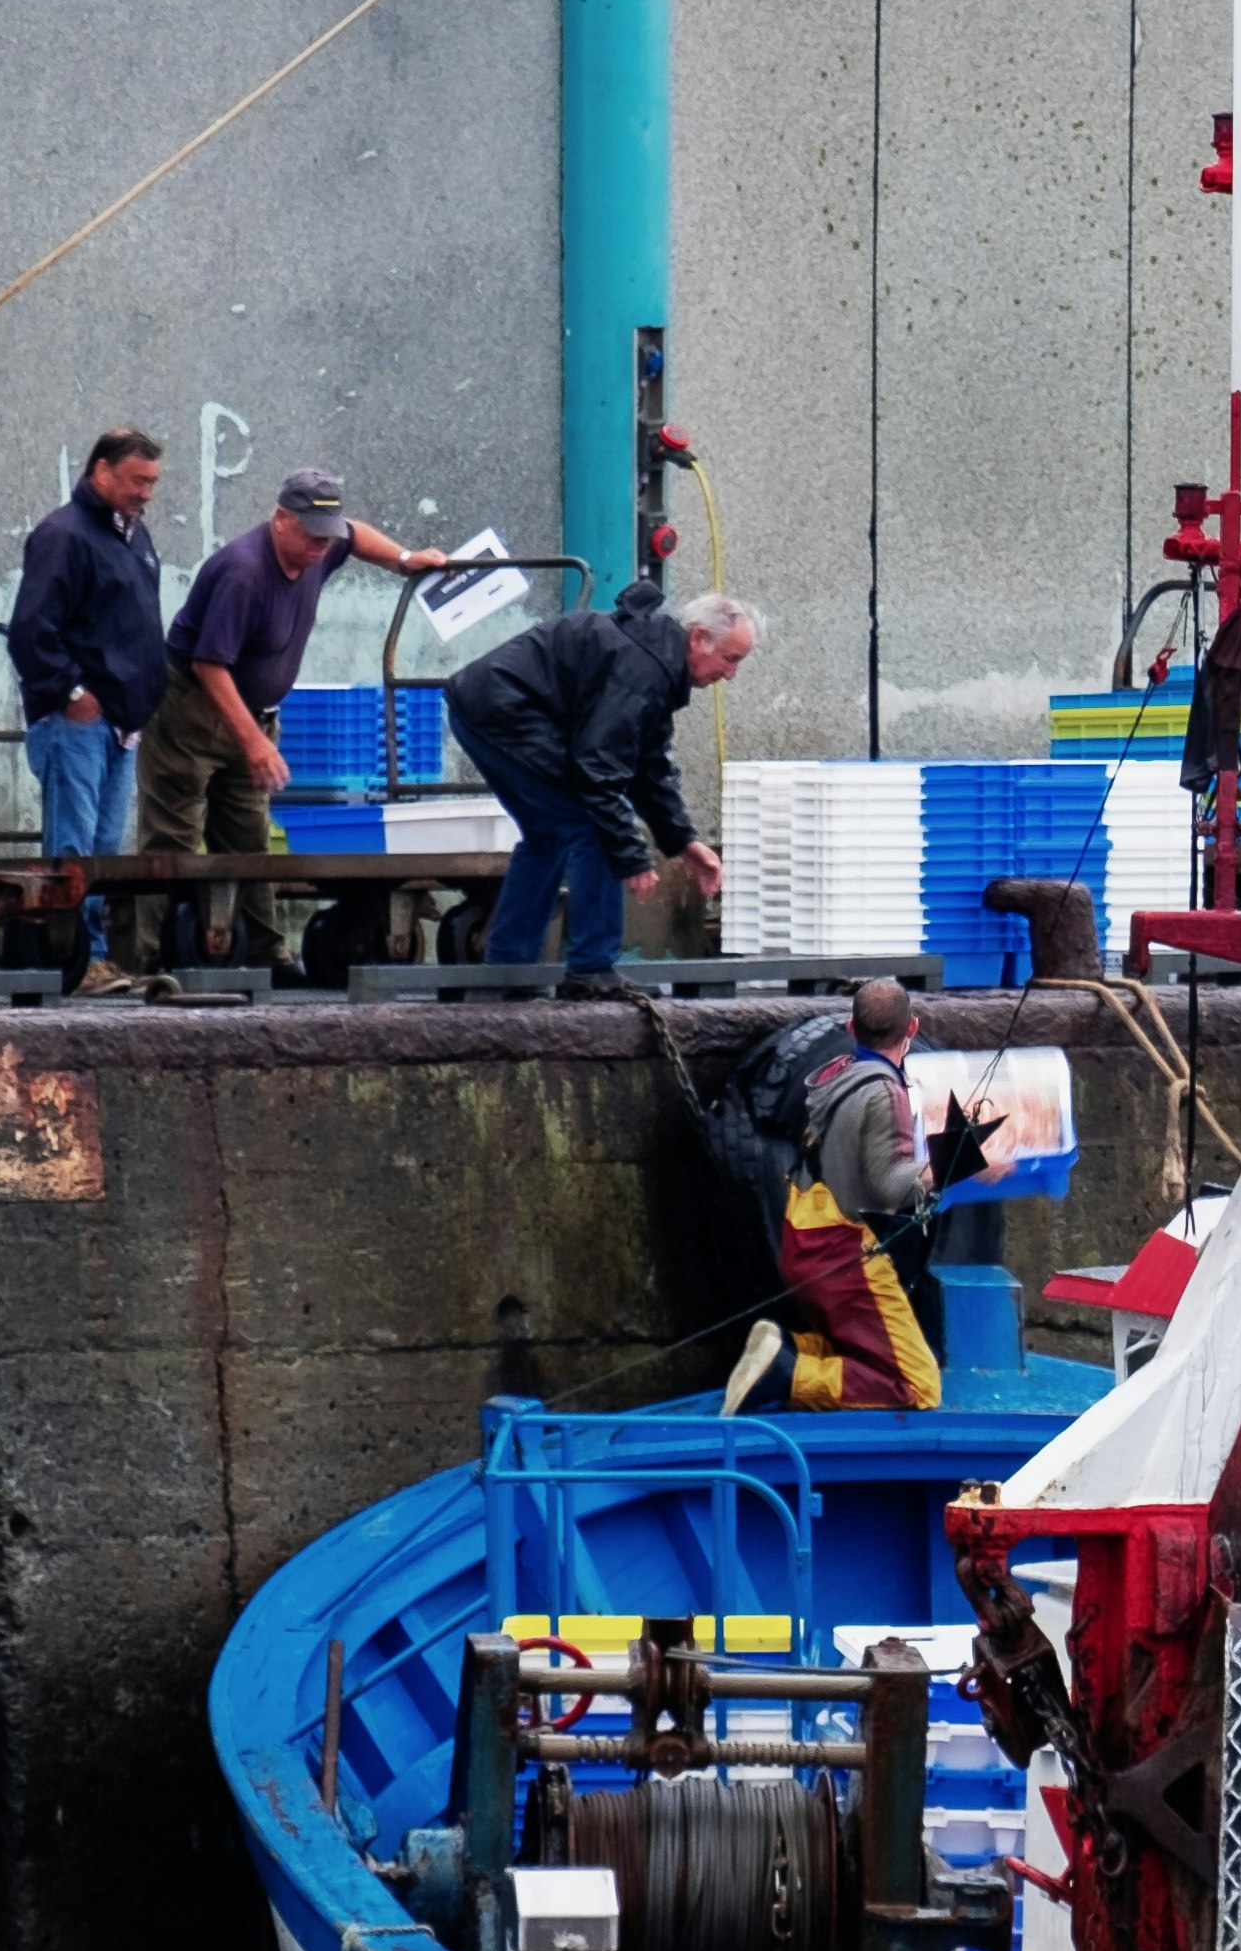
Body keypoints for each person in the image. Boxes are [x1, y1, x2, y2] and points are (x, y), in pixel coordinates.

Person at [138, 464, 445, 971]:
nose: (320, 549)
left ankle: (264, 953)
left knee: (248, 839)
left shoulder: (321, 546)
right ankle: (150, 960)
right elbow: (209, 665)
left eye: (326, 538)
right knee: (173, 836)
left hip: (252, 712)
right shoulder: (243, 572)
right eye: (309, 537)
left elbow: (354, 535)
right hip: (192, 712)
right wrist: (254, 742)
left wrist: (405, 560)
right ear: (279, 518)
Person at [441, 583, 753, 987]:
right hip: (504, 712)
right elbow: (597, 769)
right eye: (730, 659)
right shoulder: (643, 669)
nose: (730, 674)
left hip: (482, 707)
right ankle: (591, 968)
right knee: (593, 826)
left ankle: (508, 968)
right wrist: (631, 857)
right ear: (698, 638)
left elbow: (650, 765)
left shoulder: (657, 665)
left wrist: (683, 842)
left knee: (548, 835)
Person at [717, 976, 994, 1414]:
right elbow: (889, 1184)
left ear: (850, 1029)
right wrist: (969, 1163)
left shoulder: (836, 1075)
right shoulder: (885, 1093)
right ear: (913, 1029)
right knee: (917, 1385)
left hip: (803, 1235)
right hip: (843, 1252)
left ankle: (786, 1347)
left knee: (864, 1346)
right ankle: (789, 1375)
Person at [5, 429, 164, 970]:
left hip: (121, 725)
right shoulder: (63, 535)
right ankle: (71, 962)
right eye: (136, 480)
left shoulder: (136, 539)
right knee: (72, 850)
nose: (146, 492)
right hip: (77, 722)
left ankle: (88, 959)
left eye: (152, 482)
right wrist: (74, 694)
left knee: (101, 852)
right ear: (101, 472)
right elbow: (29, 629)